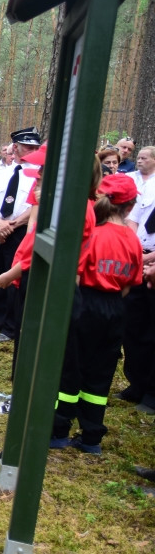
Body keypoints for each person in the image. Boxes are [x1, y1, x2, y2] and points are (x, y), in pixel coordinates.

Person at [51, 174, 141, 454]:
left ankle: (58, 430)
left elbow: (76, 276)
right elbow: (129, 284)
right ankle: (91, 437)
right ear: (131, 206)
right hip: (115, 308)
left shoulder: (92, 235)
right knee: (101, 373)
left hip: (84, 304)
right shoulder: (133, 240)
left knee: (70, 369)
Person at [0, 127, 39, 342]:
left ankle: (11, 327)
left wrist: (11, 225)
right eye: (26, 147)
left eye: (34, 148)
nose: (30, 151)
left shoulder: (39, 175)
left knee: (13, 276)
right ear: (15, 147)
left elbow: (36, 205)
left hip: (21, 229)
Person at [120, 146, 155, 410]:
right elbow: (133, 220)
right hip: (138, 256)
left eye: (146, 156)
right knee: (133, 324)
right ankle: (136, 382)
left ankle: (152, 392)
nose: (140, 160)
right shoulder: (144, 186)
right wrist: (134, 254)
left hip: (151, 261)